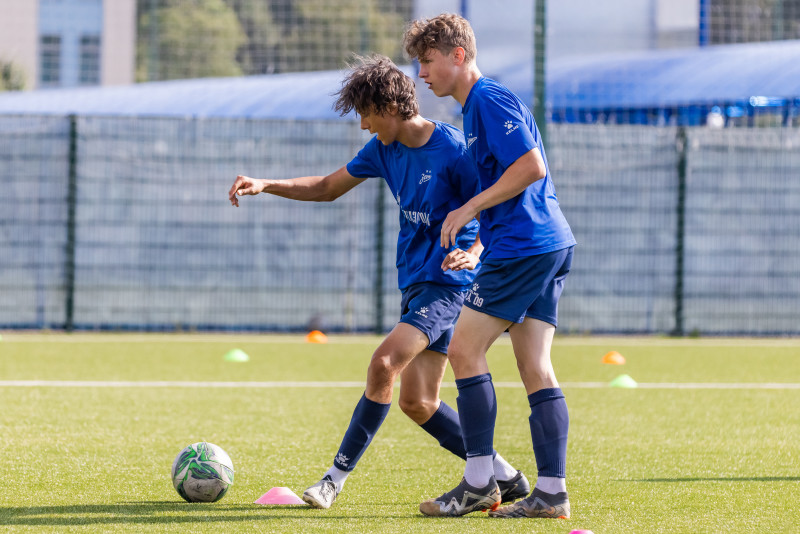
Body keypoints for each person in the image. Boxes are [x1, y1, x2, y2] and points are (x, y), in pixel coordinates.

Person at [227, 54, 530, 510]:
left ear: (389, 107)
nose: (364, 126)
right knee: (419, 402)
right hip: (415, 283)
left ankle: (332, 480)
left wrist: (475, 251)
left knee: (384, 364)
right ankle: (504, 476)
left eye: (366, 115)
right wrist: (267, 183)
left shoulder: (452, 150)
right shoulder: (383, 150)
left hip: (446, 284)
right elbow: (328, 187)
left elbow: (493, 206)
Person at [403, 14, 577, 519]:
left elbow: (531, 166)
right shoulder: (474, 110)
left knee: (463, 347)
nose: (422, 73)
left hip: (527, 246)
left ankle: (480, 480)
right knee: (534, 366)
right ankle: (551, 493)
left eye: (429, 60)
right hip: (545, 244)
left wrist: (470, 207)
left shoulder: (487, 99)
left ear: (458, 55)